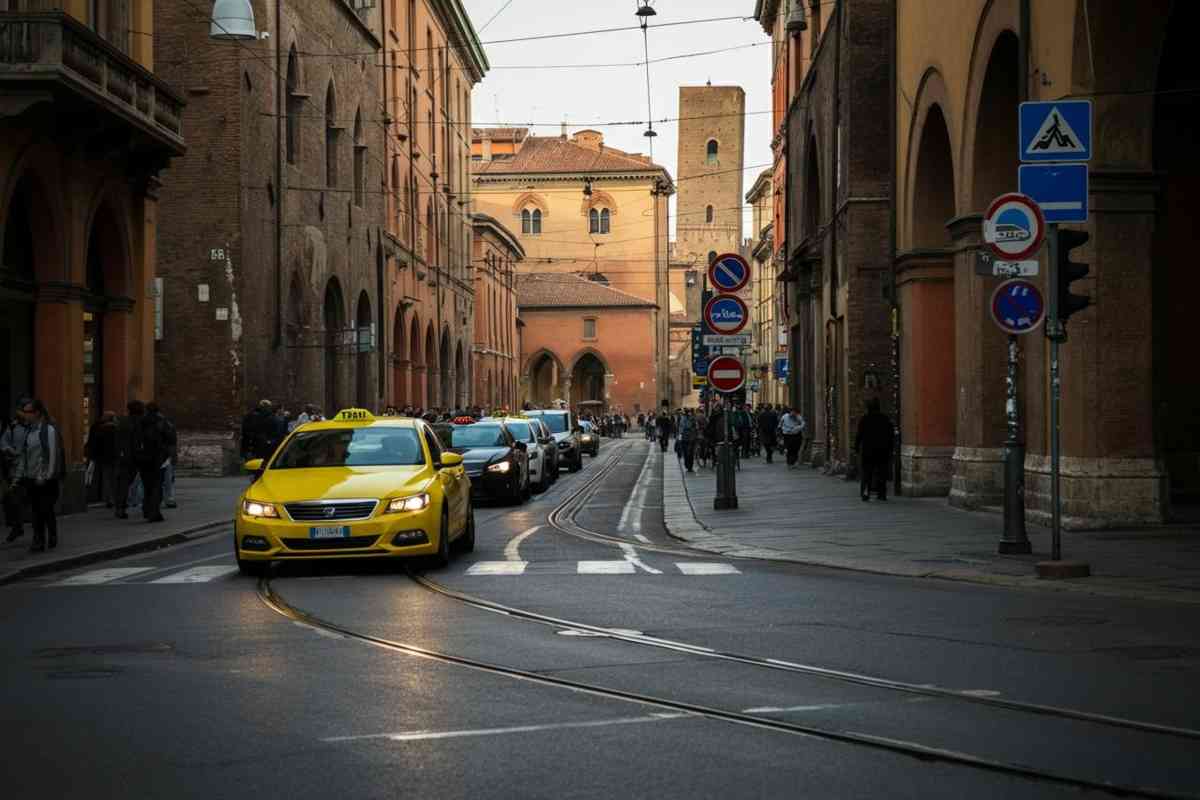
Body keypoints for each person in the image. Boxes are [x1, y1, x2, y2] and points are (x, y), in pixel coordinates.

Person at [13, 399, 65, 552]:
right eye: (25, 411)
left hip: (46, 480)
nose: (25, 414)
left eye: (28, 411)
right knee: (36, 511)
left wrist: (47, 475)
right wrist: (18, 476)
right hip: (31, 477)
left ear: (37, 413)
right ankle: (39, 540)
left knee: (45, 509)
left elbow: (53, 454)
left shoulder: (48, 430)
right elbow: (25, 455)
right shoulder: (29, 432)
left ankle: (49, 536)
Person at [135, 401, 175, 522]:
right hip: (159, 458)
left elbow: (135, 439)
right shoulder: (163, 422)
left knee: (147, 485)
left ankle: (146, 509)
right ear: (158, 410)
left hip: (143, 458)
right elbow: (171, 439)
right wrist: (170, 455)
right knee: (157, 485)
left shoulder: (140, 422)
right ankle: (154, 512)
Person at [1, 399, 32, 542]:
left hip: (33, 469)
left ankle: (41, 531)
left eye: (27, 411)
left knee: (26, 500)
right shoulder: (13, 427)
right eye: (22, 410)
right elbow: (4, 442)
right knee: (13, 498)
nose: (24, 414)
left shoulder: (36, 427)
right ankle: (17, 526)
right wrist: (9, 450)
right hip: (15, 469)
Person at [854, 398, 894, 501]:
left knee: (867, 473)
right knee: (881, 473)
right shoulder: (885, 419)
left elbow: (859, 435)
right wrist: (891, 448)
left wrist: (856, 448)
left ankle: (865, 493)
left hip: (868, 451)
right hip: (882, 450)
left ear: (868, 408)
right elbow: (891, 435)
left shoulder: (864, 419)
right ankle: (882, 494)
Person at [85, 410, 119, 507]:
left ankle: (108, 498)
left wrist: (93, 454)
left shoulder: (97, 427)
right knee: (114, 478)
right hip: (114, 456)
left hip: (103, 457)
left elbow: (93, 442)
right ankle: (113, 498)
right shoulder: (116, 428)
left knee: (106, 478)